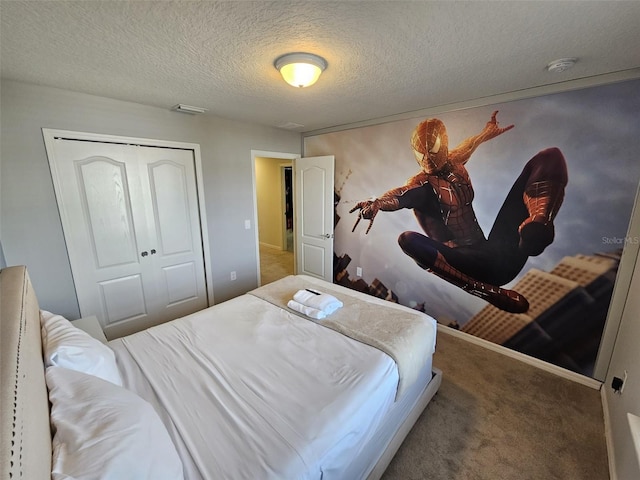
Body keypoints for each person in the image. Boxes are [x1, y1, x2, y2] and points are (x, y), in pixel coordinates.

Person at [350, 111, 568, 313]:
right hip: (471, 267)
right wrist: (377, 203)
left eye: (432, 150)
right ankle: (483, 291)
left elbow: (470, 145)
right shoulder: (422, 186)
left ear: (442, 145)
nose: (428, 158)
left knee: (548, 157)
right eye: (422, 153)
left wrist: (486, 133)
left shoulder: (454, 162)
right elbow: (400, 195)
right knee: (408, 240)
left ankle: (539, 223)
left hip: (502, 253)